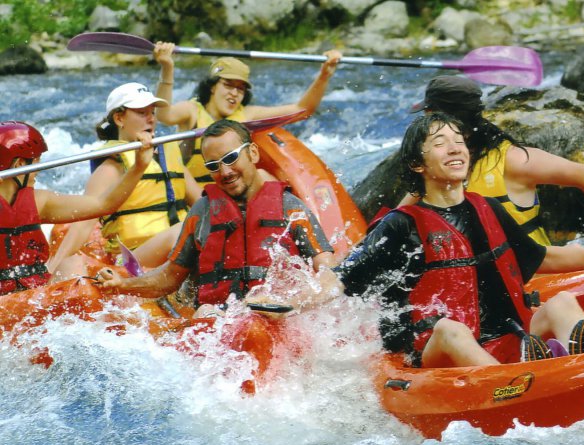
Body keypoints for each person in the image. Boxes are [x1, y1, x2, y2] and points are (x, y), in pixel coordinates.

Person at [336, 113, 584, 368]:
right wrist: (305, 299)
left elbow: (541, 257)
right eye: (440, 143)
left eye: (459, 141)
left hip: (505, 338)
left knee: (563, 303)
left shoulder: (487, 208)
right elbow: (340, 280)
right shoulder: (400, 225)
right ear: (417, 164)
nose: (455, 148)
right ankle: (521, 384)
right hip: (438, 354)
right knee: (451, 330)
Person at [95, 119, 340, 312]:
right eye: (213, 166)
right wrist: (122, 285)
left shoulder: (292, 208)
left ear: (253, 154)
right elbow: (169, 278)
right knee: (205, 314)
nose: (225, 172)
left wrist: (287, 305)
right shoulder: (201, 213)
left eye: (231, 158)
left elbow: (330, 278)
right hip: (219, 323)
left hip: (279, 318)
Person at [400, 75, 584, 245]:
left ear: (435, 115)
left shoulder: (511, 160)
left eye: (427, 114)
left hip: (531, 274)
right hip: (479, 277)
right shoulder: (440, 167)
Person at [48, 82, 203, 278]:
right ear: (119, 118)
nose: (151, 119)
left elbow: (203, 205)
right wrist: (52, 269)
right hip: (130, 260)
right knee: (181, 232)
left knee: (191, 230)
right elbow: (83, 224)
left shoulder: (168, 155)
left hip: (175, 249)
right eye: (142, 113)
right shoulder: (112, 167)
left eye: (152, 113)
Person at [152, 42, 342, 185]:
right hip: (194, 195)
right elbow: (163, 115)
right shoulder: (192, 111)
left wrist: (325, 75)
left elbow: (301, 111)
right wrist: (167, 68)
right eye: (228, 85)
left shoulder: (248, 115)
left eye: (241, 89)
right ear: (212, 86)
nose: (235, 93)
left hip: (231, 190)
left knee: (265, 177)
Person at [0, 121, 149, 295]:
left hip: (35, 294)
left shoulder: (39, 201)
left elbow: (104, 204)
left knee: (73, 263)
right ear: (19, 164)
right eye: (36, 162)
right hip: (5, 301)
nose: (38, 171)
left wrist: (139, 167)